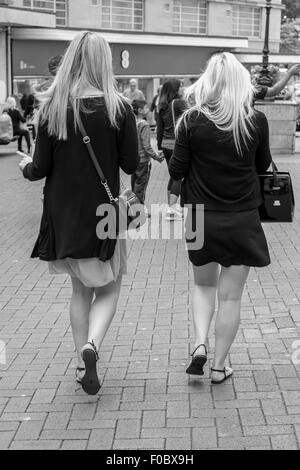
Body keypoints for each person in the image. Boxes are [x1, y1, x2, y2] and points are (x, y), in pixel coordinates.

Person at [19, 31, 139, 395]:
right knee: (110, 285)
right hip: (103, 213)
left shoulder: (52, 107)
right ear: (104, 62)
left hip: (62, 215)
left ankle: (78, 360)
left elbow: (38, 168)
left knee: (78, 290)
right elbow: (131, 162)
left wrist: (24, 164)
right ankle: (93, 345)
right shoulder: (119, 107)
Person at [169, 52, 271, 385]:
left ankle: (199, 343)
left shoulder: (191, 120)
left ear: (208, 80)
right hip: (242, 216)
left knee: (202, 285)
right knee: (230, 296)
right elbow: (262, 167)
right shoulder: (254, 120)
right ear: (241, 82)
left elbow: (177, 170)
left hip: (199, 216)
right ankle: (218, 366)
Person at [157, 78, 187, 220]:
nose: (183, 89)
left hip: (165, 144)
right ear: (175, 90)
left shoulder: (162, 105)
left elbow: (159, 129)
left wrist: (159, 147)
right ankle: (172, 208)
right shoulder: (179, 103)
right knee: (178, 176)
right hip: (177, 144)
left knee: (173, 174)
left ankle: (170, 207)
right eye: (181, 86)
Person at [131, 99, 164, 207]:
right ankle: (139, 208)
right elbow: (147, 146)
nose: (148, 110)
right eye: (145, 107)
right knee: (141, 185)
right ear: (140, 110)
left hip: (134, 159)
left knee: (134, 183)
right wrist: (157, 157)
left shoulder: (132, 122)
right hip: (143, 160)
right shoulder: (144, 124)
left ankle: (133, 206)